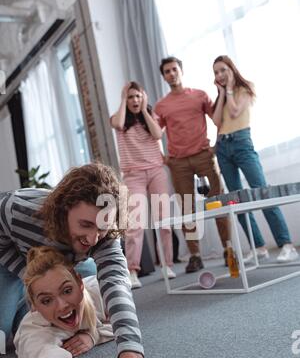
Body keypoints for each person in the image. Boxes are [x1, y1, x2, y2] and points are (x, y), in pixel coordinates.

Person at [0, 162, 165, 358]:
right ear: (64, 209)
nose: (93, 238)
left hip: (66, 262)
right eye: (86, 225)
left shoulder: (102, 235)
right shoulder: (16, 210)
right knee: (3, 335)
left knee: (88, 296)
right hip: (10, 260)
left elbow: (116, 285)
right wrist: (31, 279)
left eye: (102, 228)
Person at [13, 246, 114, 358]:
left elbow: (122, 319)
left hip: (85, 269)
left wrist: (93, 335)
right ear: (34, 305)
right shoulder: (33, 326)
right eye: (46, 300)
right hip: (8, 266)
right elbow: (39, 357)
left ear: (80, 284)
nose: (62, 307)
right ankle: (17, 303)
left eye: (67, 291)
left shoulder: (98, 291)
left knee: (91, 267)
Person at [212, 55, 298, 263]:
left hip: (242, 142)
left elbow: (234, 112)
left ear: (231, 69)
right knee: (236, 199)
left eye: (223, 70)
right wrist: (222, 93)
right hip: (222, 147)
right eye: (216, 72)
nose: (220, 75)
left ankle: (286, 244)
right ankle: (258, 247)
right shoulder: (222, 96)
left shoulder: (245, 89)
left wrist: (230, 88)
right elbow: (216, 120)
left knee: (262, 192)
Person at [155, 56, 230, 273]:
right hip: (178, 163)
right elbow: (153, 134)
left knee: (218, 203)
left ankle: (228, 249)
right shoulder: (161, 105)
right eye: (167, 71)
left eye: (174, 69)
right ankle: (195, 255)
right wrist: (163, 158)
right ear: (164, 76)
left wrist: (216, 145)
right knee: (187, 209)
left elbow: (218, 118)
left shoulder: (199, 95)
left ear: (181, 70)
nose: (171, 74)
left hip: (204, 156)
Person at [111, 81, 175, 289]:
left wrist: (146, 110)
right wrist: (122, 100)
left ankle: (167, 264)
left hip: (156, 171)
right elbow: (119, 124)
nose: (135, 100)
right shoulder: (118, 119)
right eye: (130, 97)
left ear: (143, 97)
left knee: (163, 220)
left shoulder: (151, 117)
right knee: (134, 224)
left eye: (138, 96)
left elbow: (157, 134)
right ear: (125, 99)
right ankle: (132, 271)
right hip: (133, 175)